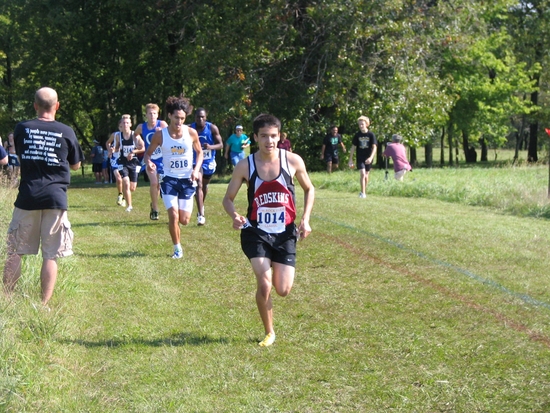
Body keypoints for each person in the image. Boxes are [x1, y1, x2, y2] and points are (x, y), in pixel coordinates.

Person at [222, 113, 315, 347]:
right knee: (264, 283)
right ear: (255, 137)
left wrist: (305, 219)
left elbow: (309, 189)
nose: (269, 141)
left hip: (285, 233)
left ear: (279, 136)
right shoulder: (245, 165)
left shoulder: (293, 161)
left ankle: (275, 262)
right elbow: (228, 199)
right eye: (264, 136)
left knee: (282, 290)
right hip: (256, 232)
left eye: (273, 136)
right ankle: (269, 332)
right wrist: (234, 215)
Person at [3, 87, 83, 306]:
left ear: (35, 105)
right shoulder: (66, 131)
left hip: (27, 196)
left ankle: (7, 301)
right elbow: (76, 165)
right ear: (57, 106)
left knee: (15, 251)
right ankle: (44, 305)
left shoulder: (22, 128)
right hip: (55, 198)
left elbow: (20, 153)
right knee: (50, 255)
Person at [144, 95, 203, 259]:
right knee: (173, 215)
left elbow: (200, 153)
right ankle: (177, 248)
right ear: (169, 115)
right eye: (176, 117)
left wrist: (196, 169)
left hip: (187, 180)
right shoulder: (160, 135)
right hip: (168, 179)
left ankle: (178, 234)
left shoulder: (191, 133)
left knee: (184, 220)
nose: (179, 121)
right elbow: (147, 155)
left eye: (182, 118)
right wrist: (149, 163)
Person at [134, 103, 168, 220]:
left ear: (157, 115)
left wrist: (163, 132)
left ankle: (155, 205)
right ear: (146, 115)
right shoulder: (141, 127)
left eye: (154, 113)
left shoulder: (162, 124)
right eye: (150, 114)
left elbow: (172, 135)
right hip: (150, 159)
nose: (152, 116)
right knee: (154, 183)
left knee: (159, 185)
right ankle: (155, 208)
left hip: (163, 159)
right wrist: (139, 142)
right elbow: (135, 134)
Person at [190, 107, 223, 225]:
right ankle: (201, 215)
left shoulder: (212, 128)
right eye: (198, 117)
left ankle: (201, 205)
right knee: (198, 184)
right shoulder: (189, 128)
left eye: (202, 117)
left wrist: (210, 147)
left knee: (204, 186)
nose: (200, 119)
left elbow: (220, 145)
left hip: (208, 161)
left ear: (206, 117)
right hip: (195, 161)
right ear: (195, 118)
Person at [114, 114, 145, 212]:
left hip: (135, 163)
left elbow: (143, 148)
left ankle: (124, 195)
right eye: (123, 123)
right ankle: (129, 206)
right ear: (121, 125)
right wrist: (113, 150)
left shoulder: (135, 135)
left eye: (127, 123)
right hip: (123, 162)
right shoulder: (118, 136)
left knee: (132, 188)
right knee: (126, 182)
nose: (125, 124)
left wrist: (133, 152)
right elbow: (117, 147)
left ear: (130, 124)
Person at [348, 116, 378, 198]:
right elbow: (353, 147)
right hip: (360, 157)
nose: (361, 126)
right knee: (362, 173)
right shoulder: (357, 135)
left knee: (366, 175)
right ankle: (363, 193)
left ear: (366, 124)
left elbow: (374, 147)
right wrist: (350, 159)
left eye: (362, 124)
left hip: (368, 157)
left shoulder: (371, 135)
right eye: (359, 124)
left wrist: (371, 158)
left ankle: (364, 189)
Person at [106, 121, 125, 206]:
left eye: (123, 126)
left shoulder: (130, 135)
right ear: (118, 127)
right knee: (118, 178)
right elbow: (108, 143)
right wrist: (110, 150)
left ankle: (124, 196)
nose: (122, 128)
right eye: (120, 127)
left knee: (126, 180)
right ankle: (120, 194)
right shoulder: (115, 135)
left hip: (125, 159)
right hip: (115, 159)